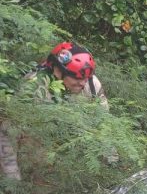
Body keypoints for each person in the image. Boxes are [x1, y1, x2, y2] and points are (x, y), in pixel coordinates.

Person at [2, 42, 106, 180]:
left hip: (77, 166)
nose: (82, 83)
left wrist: (110, 162)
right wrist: (12, 180)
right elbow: (7, 135)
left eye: (85, 78)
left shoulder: (92, 85)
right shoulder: (32, 89)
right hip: (36, 167)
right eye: (76, 78)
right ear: (58, 71)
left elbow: (105, 125)